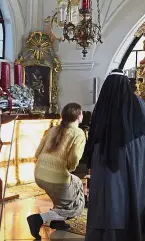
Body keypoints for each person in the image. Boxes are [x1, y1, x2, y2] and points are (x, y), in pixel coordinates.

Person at [83, 69, 145, 241]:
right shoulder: (137, 103)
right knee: (134, 193)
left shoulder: (101, 105)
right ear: (127, 85)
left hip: (104, 155)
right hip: (135, 154)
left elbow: (93, 134)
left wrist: (89, 160)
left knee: (109, 196)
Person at [27, 102, 86, 240]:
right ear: (78, 116)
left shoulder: (53, 129)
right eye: (82, 113)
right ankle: (39, 219)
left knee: (75, 182)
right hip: (56, 178)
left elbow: (37, 154)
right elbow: (75, 158)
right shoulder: (79, 133)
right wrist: (68, 169)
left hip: (39, 174)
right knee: (76, 207)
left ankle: (58, 221)